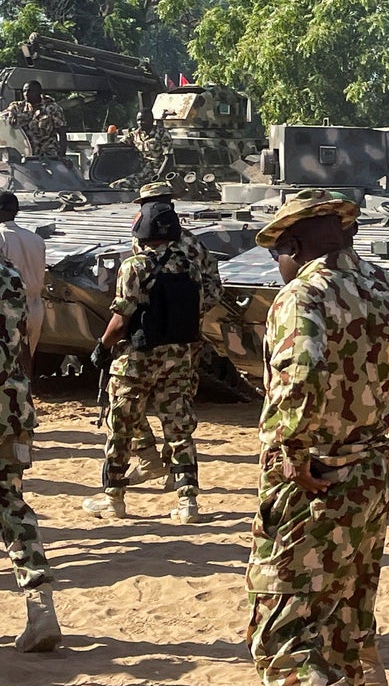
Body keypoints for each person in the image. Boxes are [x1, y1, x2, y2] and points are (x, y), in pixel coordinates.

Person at [246, 190, 389, 686]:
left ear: (292, 243)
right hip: (367, 477)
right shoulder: (385, 289)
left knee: (279, 644)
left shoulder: (302, 296)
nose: (279, 265)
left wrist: (290, 453)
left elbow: (302, 375)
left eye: (278, 252)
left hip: (312, 478)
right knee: (342, 631)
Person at [81, 202, 205, 523]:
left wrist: (102, 346)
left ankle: (114, 498)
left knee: (121, 427)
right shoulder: (190, 266)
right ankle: (188, 501)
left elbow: (122, 319)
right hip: (177, 358)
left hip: (137, 360)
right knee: (179, 429)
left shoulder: (134, 267)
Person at [122, 182, 222, 489]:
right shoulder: (194, 243)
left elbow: (135, 291)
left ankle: (148, 455)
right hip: (186, 337)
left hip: (148, 337)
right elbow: (214, 288)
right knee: (178, 405)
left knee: (126, 399)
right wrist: (190, 315)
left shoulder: (143, 242)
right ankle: (174, 470)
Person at [0, 254, 61, 652]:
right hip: (12, 407)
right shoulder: (9, 274)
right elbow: (23, 346)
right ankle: (41, 608)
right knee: (11, 503)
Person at [0, 190, 46, 355]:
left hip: (9, 310)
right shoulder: (36, 239)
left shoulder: (1, 237)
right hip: (35, 307)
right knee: (27, 362)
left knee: (6, 365)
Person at [0, 80, 67, 159]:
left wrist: (61, 156)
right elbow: (3, 118)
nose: (26, 94)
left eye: (30, 91)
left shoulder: (52, 108)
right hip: (25, 156)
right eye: (24, 91)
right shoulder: (18, 107)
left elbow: (62, 133)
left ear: (39, 92)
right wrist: (10, 116)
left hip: (47, 155)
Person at [110, 109, 173, 190]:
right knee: (112, 183)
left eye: (143, 120)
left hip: (155, 171)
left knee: (118, 185)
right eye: (138, 120)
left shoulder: (162, 133)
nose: (140, 123)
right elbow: (119, 145)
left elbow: (169, 158)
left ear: (151, 120)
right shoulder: (135, 134)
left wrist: (158, 177)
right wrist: (100, 147)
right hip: (140, 169)